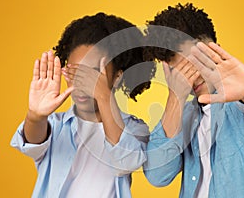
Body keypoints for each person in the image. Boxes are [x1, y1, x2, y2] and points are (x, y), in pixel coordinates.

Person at [143, 3, 244, 198]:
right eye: (179, 72)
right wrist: (175, 99)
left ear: (216, 50)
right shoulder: (184, 114)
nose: (190, 78)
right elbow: (158, 176)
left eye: (192, 63)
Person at [11, 12, 155, 198]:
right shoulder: (56, 125)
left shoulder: (134, 128)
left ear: (117, 77)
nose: (82, 83)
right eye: (75, 72)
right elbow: (33, 142)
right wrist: (35, 115)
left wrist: (104, 97)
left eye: (93, 74)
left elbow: (126, 162)